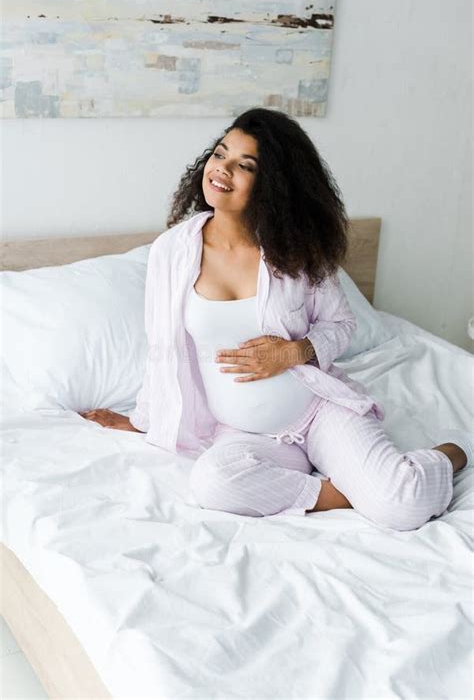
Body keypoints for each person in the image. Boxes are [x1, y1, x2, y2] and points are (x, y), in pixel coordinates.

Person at [80, 108, 471, 530]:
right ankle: (337, 493)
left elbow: (341, 324)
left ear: (272, 187)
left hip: (318, 413)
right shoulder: (172, 252)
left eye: (244, 166)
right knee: (212, 484)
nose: (221, 170)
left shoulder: (294, 251)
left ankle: (449, 455)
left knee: (402, 508)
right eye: (220, 154)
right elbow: (163, 349)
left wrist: (294, 351)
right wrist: (144, 422)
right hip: (243, 435)